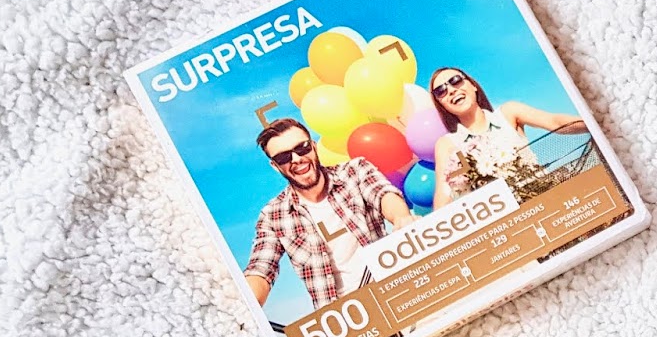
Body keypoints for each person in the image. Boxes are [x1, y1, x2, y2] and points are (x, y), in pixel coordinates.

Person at [244, 117, 415, 311]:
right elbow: (261, 268)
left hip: (394, 291)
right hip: (345, 318)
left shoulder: (354, 171)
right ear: (275, 166)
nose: (297, 159)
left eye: (302, 148)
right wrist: (247, 302)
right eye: (284, 157)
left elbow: (382, 194)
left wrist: (402, 218)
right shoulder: (273, 215)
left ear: (313, 146)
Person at [426, 67, 587, 208]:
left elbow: (554, 122)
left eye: (455, 81)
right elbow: (444, 195)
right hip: (503, 222)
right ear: (441, 105)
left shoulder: (508, 113)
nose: (451, 90)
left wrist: (592, 122)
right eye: (441, 91)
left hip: (545, 199)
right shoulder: (448, 145)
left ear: (473, 85)